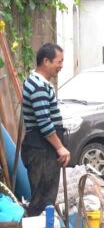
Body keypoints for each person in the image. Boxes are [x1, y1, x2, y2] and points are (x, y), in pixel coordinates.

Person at [21, 43, 70, 217]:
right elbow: (44, 123)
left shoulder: (40, 83)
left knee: (46, 198)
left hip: (43, 148)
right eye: (59, 61)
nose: (61, 65)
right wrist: (59, 147)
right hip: (41, 149)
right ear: (46, 61)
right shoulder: (39, 87)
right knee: (41, 199)